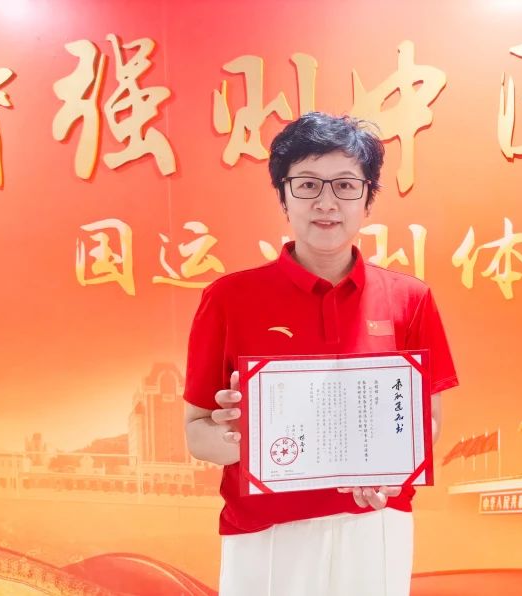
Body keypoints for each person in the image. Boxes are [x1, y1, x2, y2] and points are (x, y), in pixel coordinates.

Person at [182, 112, 458, 595]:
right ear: (283, 196)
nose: (326, 202)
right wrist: (245, 436)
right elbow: (196, 433)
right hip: (266, 531)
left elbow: (426, 420)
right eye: (307, 184)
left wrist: (393, 469)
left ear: (367, 200)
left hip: (374, 523)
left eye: (346, 186)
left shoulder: (409, 299)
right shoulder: (229, 299)